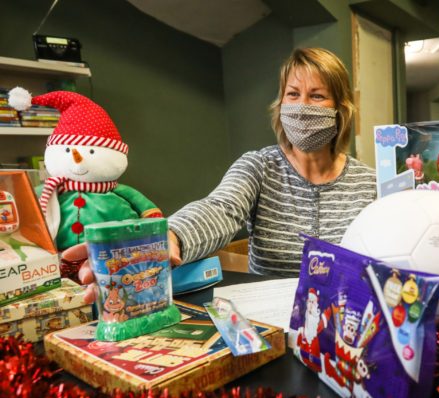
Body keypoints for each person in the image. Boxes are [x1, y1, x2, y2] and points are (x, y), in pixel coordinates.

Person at [66, 47, 376, 302]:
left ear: (340, 107)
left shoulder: (370, 183)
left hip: (344, 323)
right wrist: (166, 236)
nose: (302, 106)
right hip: (272, 320)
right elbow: (219, 209)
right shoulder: (259, 166)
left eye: (317, 96)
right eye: (293, 94)